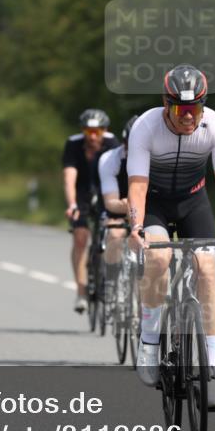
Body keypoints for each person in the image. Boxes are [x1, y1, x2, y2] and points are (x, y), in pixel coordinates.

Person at [126, 65, 215, 410]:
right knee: (158, 257)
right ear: (167, 105)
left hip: (193, 203)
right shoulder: (146, 127)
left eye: (195, 108)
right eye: (182, 109)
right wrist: (136, 226)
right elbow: (137, 186)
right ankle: (150, 342)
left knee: (208, 271)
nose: (188, 117)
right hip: (154, 203)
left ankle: (210, 371)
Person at [62, 109, 119, 313]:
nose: (93, 136)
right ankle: (81, 291)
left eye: (98, 131)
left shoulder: (112, 143)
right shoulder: (74, 144)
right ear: (83, 131)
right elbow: (69, 178)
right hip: (82, 192)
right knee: (80, 236)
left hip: (106, 190)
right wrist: (72, 205)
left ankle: (108, 277)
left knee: (113, 232)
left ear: (105, 130)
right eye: (89, 131)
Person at [97, 115, 139, 301]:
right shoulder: (110, 159)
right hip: (118, 207)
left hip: (141, 207)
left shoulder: (157, 157)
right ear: (124, 143)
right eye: (130, 145)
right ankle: (111, 280)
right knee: (114, 235)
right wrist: (129, 206)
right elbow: (111, 202)